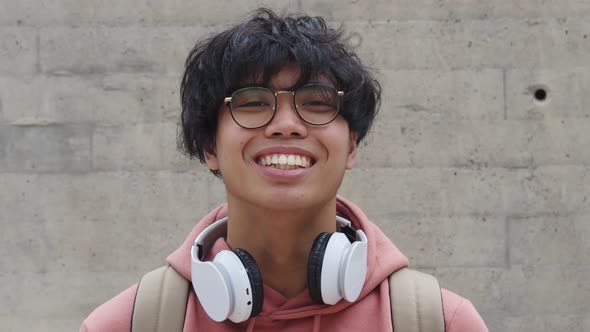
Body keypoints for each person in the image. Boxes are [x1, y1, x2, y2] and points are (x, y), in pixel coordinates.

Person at [80, 8, 488, 331]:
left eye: (317, 102)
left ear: (350, 146)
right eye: (253, 103)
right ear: (210, 146)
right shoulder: (126, 325)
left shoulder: (440, 322)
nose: (287, 124)